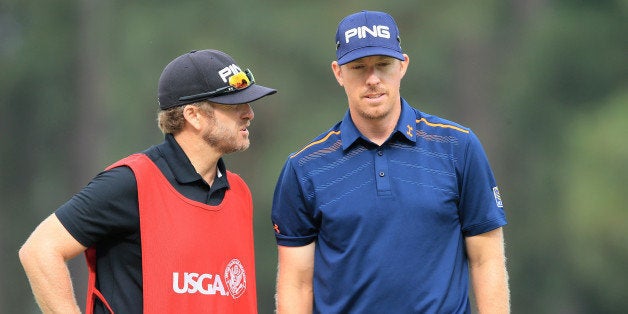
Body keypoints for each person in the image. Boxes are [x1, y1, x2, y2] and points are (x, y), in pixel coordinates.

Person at [271, 10, 509, 313]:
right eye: (359, 67)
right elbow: (297, 283)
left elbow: (485, 258)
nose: (372, 79)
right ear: (338, 72)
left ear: (403, 66)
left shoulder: (457, 147)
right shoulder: (305, 168)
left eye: (383, 65)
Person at [19, 49, 276, 313]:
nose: (249, 113)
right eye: (234, 105)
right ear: (193, 115)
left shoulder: (239, 192)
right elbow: (40, 250)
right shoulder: (132, 182)